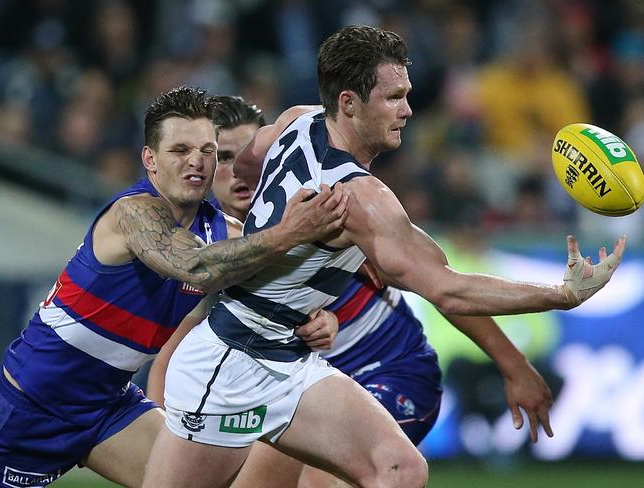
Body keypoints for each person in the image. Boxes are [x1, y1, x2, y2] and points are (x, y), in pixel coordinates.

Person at [143, 26, 625, 488]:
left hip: (292, 361)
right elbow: (448, 290)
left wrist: (285, 254)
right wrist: (561, 295)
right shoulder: (363, 199)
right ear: (349, 103)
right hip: (231, 363)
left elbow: (249, 163)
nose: (409, 110)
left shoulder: (296, 120)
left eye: (407, 94)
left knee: (400, 470)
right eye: (394, 98)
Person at [0, 86, 347, 488]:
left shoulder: (227, 234)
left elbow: (282, 288)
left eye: (208, 151)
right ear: (150, 159)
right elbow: (196, 267)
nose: (196, 162)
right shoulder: (132, 213)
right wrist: (288, 232)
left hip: (107, 409)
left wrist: (320, 318)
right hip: (25, 408)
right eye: (179, 150)